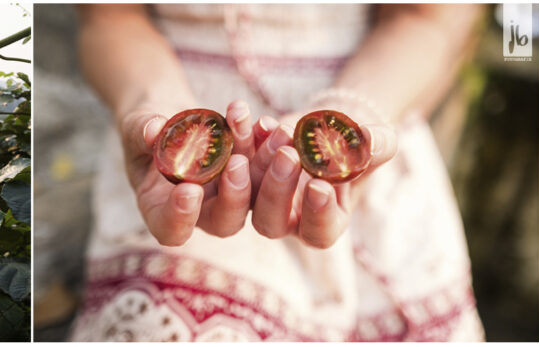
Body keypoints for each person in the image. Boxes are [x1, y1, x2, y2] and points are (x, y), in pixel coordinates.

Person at [71, 4, 484, 341]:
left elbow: (427, 18)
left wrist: (354, 111)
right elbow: (109, 17)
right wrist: (157, 114)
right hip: (178, 147)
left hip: (364, 129)